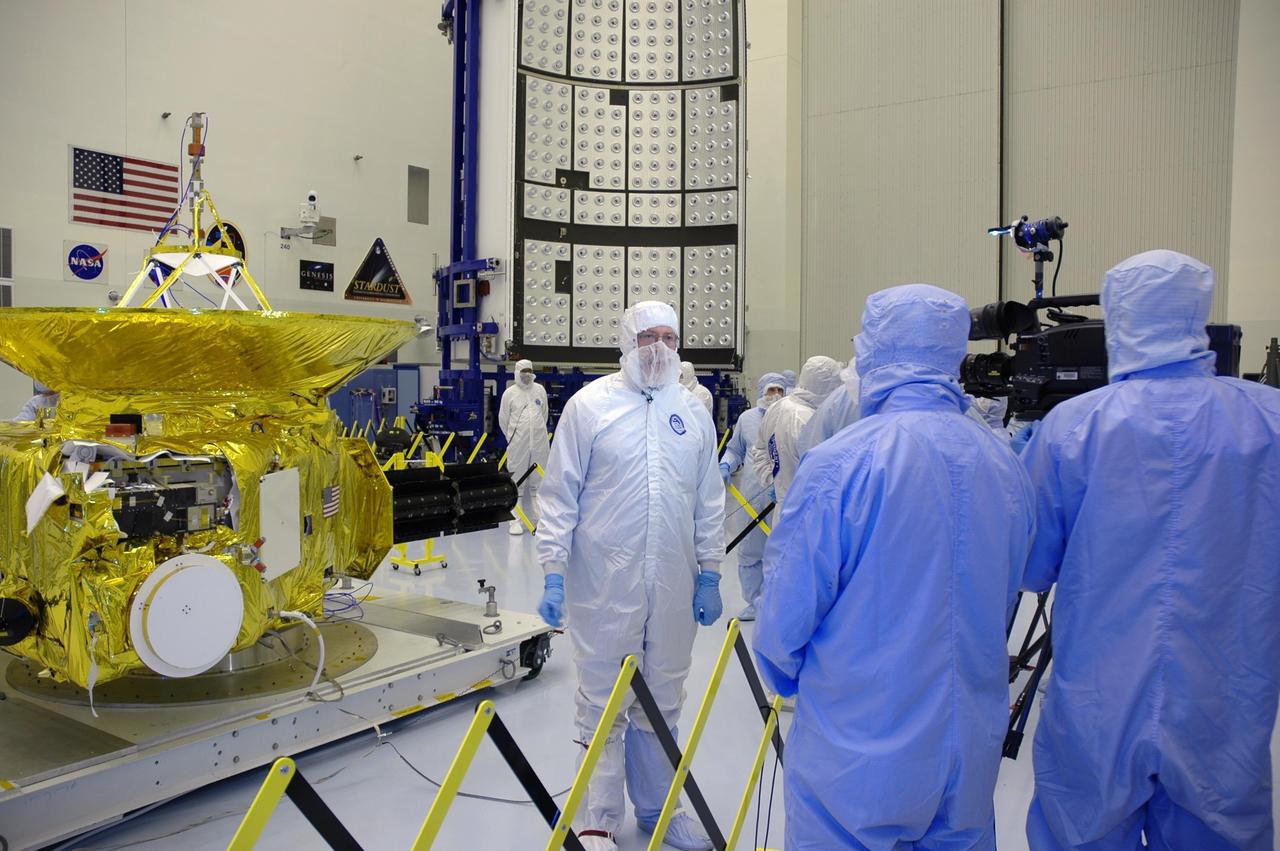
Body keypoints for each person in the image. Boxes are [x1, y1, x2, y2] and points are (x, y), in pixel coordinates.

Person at [753, 284, 1035, 850]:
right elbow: (1006, 593)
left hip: (859, 750)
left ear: (878, 348)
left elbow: (786, 619)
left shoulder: (841, 464)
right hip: (968, 747)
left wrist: (788, 677)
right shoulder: (1001, 463)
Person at [1020, 250, 1280, 851]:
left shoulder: (1074, 428)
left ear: (1119, 317)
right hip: (1226, 698)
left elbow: (1033, 566)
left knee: (1083, 829)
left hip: (1099, 697)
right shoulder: (1266, 421)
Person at [535, 301, 726, 851]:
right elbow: (559, 495)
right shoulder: (588, 407)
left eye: (670, 337)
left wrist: (710, 572)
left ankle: (659, 809)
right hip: (603, 584)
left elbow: (708, 501)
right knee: (603, 698)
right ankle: (595, 816)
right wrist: (552, 571)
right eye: (649, 337)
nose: (661, 348)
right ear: (627, 340)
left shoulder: (691, 413)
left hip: (673, 584)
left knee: (663, 696)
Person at [718, 372, 787, 621]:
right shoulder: (747, 419)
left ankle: (777, 606)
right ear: (760, 392)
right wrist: (726, 465)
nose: (775, 395)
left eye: (780, 390)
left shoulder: (791, 416)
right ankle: (754, 602)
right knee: (749, 550)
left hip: (781, 496)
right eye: (771, 391)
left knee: (781, 552)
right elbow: (735, 450)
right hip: (750, 496)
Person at [750, 355, 842, 506]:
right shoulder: (811, 421)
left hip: (784, 509)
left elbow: (760, 451)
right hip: (809, 510)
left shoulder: (776, 408)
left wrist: (773, 480)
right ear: (827, 387)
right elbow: (825, 474)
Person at [498, 359, 550, 535]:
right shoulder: (509, 393)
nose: (527, 374)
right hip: (518, 444)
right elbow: (503, 419)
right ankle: (516, 521)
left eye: (529, 370)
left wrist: (535, 433)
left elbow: (544, 414)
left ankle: (541, 519)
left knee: (539, 482)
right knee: (517, 482)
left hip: (539, 443)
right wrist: (515, 437)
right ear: (517, 371)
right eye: (523, 371)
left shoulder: (540, 390)